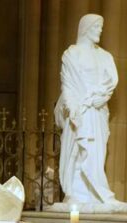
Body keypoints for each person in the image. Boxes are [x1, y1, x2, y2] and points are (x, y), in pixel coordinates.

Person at [55, 14, 125, 208]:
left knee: (96, 153)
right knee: (77, 152)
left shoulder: (105, 56)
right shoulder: (72, 54)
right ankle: (75, 195)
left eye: (101, 27)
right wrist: (72, 107)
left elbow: (110, 83)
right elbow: (67, 85)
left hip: (97, 110)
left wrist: (99, 97)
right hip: (78, 110)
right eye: (96, 27)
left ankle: (98, 194)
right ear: (85, 29)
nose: (100, 31)